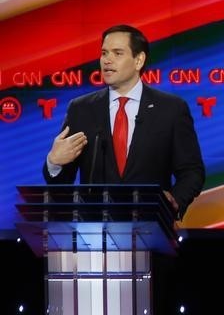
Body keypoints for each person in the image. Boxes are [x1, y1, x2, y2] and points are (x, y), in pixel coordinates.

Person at [43, 24, 205, 219]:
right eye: (104, 53)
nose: (107, 60)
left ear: (139, 60)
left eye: (117, 53)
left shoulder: (171, 109)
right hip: (94, 231)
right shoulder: (81, 109)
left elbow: (192, 171)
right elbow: (62, 182)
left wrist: (174, 201)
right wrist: (54, 163)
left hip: (150, 226)